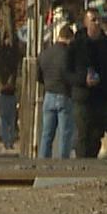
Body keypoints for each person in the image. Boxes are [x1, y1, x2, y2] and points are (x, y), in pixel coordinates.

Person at [67, 8, 107, 159]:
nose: (97, 23)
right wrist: (83, 79)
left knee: (101, 135)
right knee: (84, 134)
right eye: (93, 20)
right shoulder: (76, 47)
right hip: (83, 98)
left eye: (98, 20)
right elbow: (67, 73)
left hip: (105, 97)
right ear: (85, 23)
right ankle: (83, 165)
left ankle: (96, 165)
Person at [35, 22, 76, 159]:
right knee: (65, 133)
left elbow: (38, 76)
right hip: (64, 95)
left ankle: (43, 161)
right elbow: (70, 75)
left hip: (48, 95)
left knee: (47, 133)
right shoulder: (69, 54)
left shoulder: (44, 54)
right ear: (70, 38)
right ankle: (62, 163)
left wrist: (47, 83)